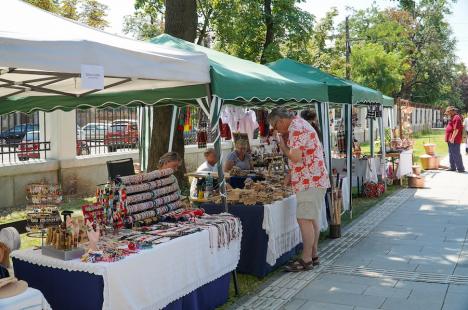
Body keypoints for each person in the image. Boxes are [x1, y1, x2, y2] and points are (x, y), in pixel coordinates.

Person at [268, 108, 330, 272]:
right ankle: (313, 254)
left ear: (280, 121)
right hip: (312, 179)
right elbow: (303, 156)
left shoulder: (295, 128)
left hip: (310, 181)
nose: (276, 130)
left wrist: (282, 145)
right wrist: (291, 173)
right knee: (311, 219)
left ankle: (306, 259)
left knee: (304, 219)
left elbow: (295, 156)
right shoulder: (300, 124)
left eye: (275, 126)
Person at [445, 106, 465, 172]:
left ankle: (460, 168)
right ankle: (452, 167)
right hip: (450, 139)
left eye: (448, 112)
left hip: (454, 139)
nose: (447, 114)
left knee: (456, 153)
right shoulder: (452, 117)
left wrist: (452, 138)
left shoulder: (456, 117)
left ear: (452, 111)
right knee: (451, 153)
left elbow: (456, 129)